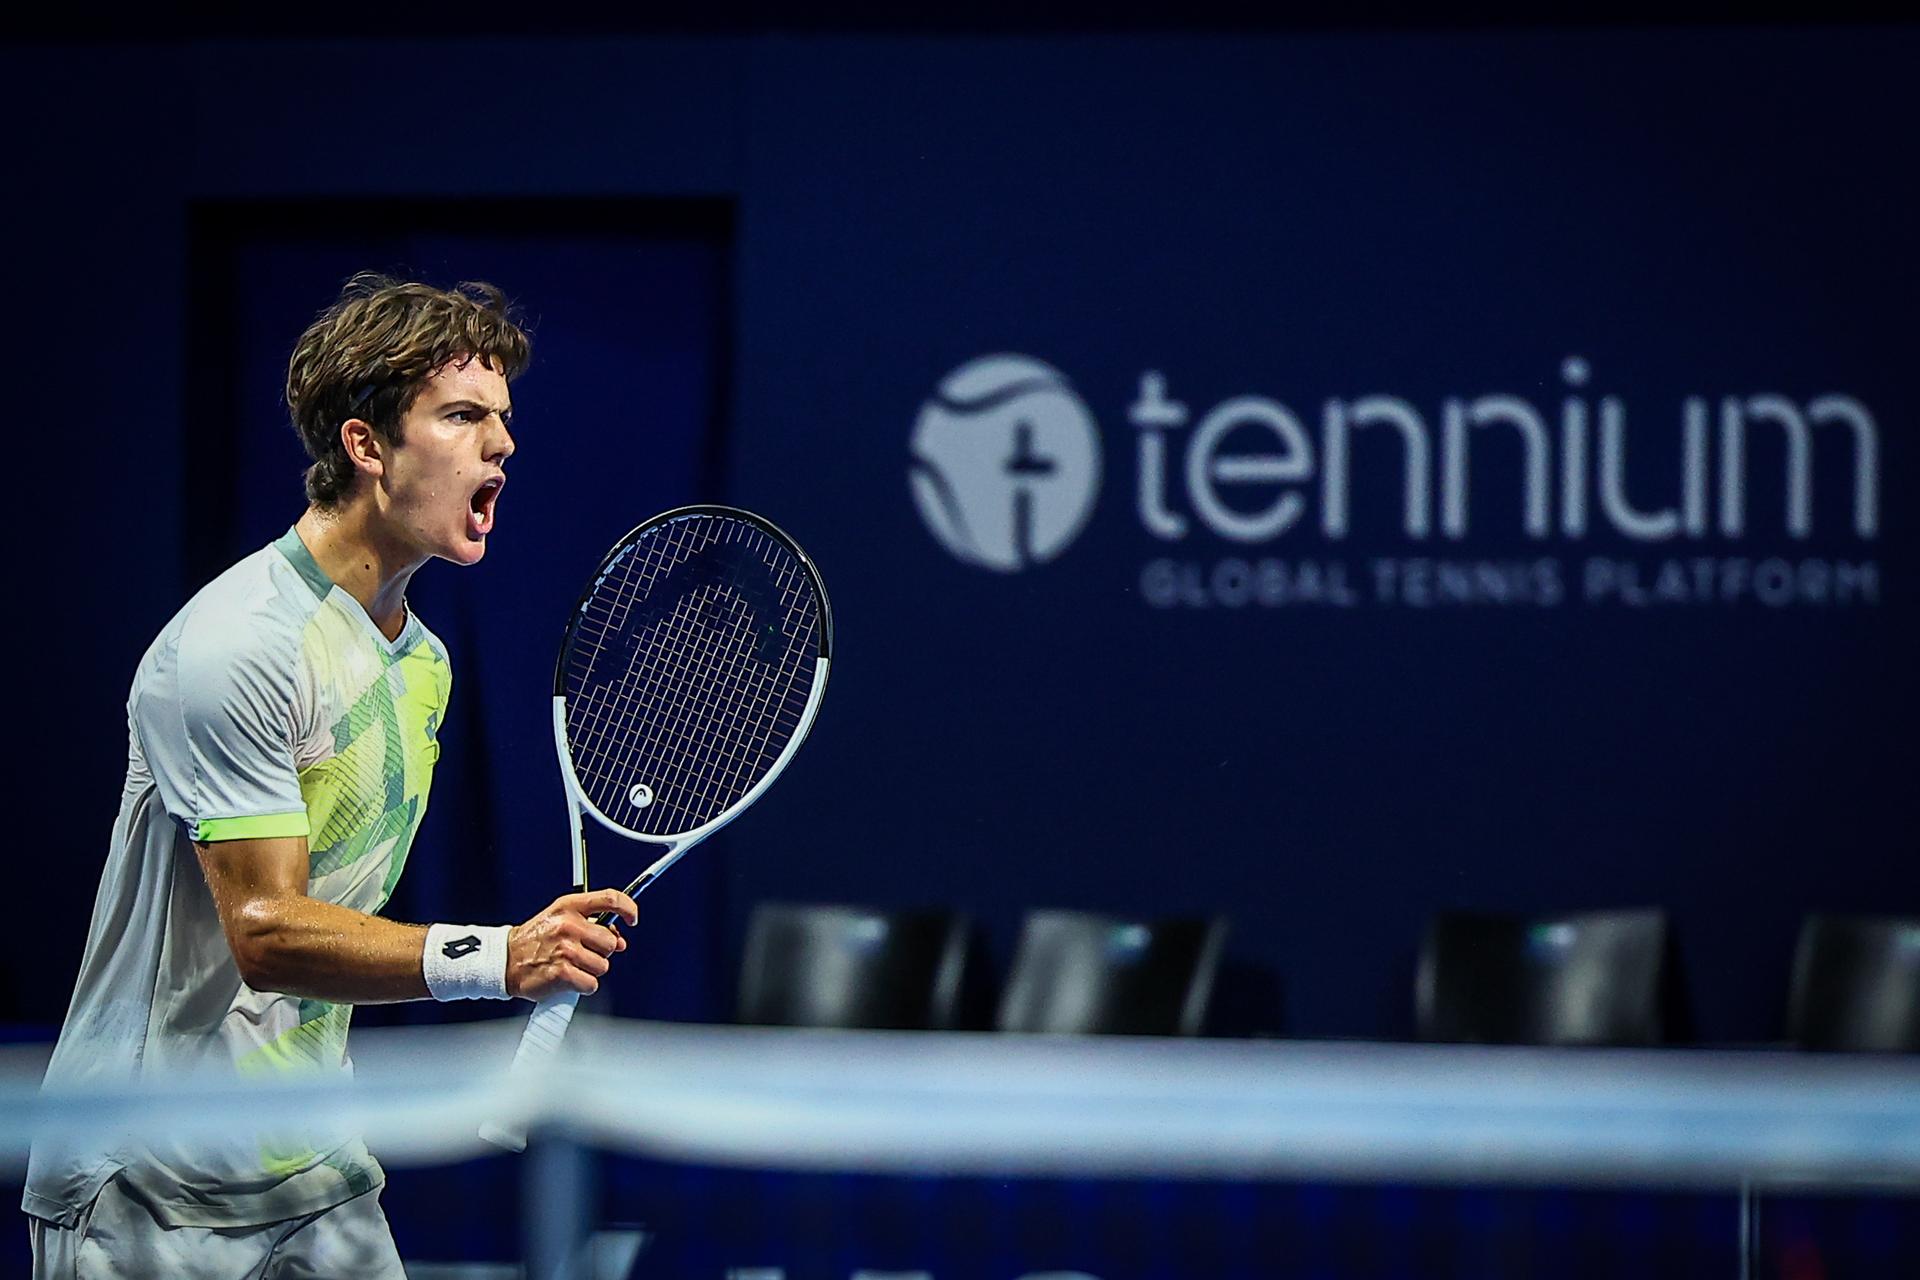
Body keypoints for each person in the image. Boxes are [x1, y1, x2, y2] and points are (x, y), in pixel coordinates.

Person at [22, 274, 638, 1277]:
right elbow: (266, 933)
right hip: (150, 1180)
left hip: (311, 1161)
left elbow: (335, 928)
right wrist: (498, 956)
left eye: (503, 418)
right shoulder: (238, 647)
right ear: (366, 445)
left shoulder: (424, 663)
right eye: (463, 415)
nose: (503, 444)